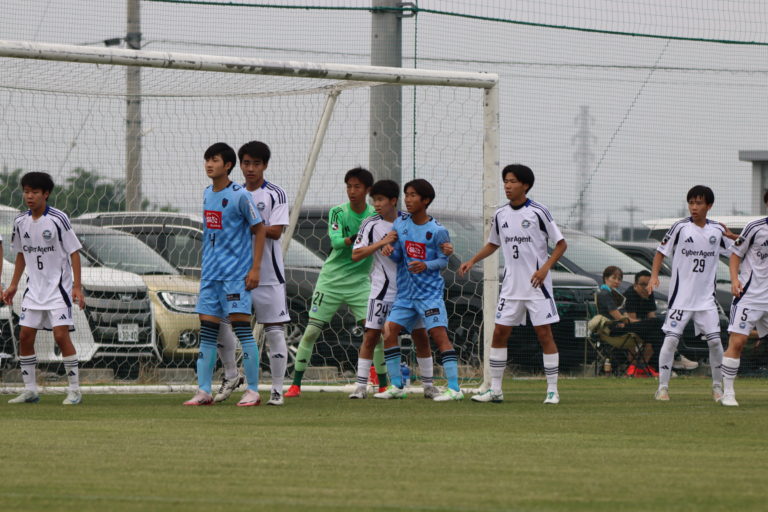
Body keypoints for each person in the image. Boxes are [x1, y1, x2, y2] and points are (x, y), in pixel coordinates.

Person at [459, 164, 566, 404]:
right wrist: (472, 260)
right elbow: (493, 243)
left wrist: (544, 269)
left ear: (525, 185)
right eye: (505, 181)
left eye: (512, 181)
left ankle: (552, 390)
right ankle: (495, 390)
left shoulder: (538, 212)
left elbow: (561, 244)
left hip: (537, 286)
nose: (507, 186)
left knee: (544, 334)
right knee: (499, 333)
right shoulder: (500, 214)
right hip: (511, 287)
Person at [349, 179, 452, 400]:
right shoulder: (370, 224)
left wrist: (446, 247)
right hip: (383, 290)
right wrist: (382, 243)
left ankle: (428, 385)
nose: (376, 204)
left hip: (412, 291)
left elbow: (432, 234)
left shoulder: (407, 219)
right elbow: (356, 254)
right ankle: (361, 386)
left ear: (393, 201)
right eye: (374, 200)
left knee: (420, 336)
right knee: (373, 335)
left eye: (380, 200)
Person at [184, 142, 266, 406]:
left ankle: (252, 390)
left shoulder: (241, 195)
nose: (209, 164)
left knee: (242, 330)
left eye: (215, 160)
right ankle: (203, 391)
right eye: (207, 159)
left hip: (235, 277)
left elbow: (260, 229)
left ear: (228, 165)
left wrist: (255, 269)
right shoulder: (207, 193)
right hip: (211, 276)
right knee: (208, 333)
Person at [285, 167, 377, 398]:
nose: (352, 191)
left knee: (374, 332)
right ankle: (295, 385)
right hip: (331, 281)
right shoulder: (338, 212)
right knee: (311, 332)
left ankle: (382, 383)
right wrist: (359, 237)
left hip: (359, 282)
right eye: (349, 186)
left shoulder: (375, 216)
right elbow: (336, 243)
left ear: (367, 190)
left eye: (357, 187)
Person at [214, 141, 290, 406]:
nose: (250, 169)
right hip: (236, 274)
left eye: (256, 164)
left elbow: (276, 231)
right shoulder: (232, 194)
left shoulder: (275, 194)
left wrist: (249, 225)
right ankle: (231, 375)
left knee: (274, 332)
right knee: (218, 322)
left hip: (268, 276)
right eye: (246, 163)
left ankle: (277, 390)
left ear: (265, 165)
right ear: (239, 165)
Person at [374, 178, 462, 402]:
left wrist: (426, 265)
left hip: (429, 295)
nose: (408, 199)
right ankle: (396, 386)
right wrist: (389, 250)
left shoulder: (437, 231)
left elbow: (443, 261)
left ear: (426, 200)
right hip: (405, 295)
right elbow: (399, 256)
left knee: (439, 336)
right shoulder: (400, 224)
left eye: (413, 195)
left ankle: (454, 389)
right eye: (406, 195)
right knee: (389, 331)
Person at [648, 185, 736, 402]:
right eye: (691, 203)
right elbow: (660, 252)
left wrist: (734, 238)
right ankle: (662, 388)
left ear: (709, 206)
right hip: (681, 299)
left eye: (698, 203)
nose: (694, 207)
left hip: (706, 300)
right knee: (671, 341)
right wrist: (654, 276)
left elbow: (738, 250)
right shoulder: (680, 227)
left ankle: (717, 387)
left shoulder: (717, 230)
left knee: (715, 342)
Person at [4, 172, 85, 405]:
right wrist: (13, 285)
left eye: (35, 192)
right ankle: (30, 390)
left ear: (46, 194)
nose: (29, 196)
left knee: (60, 336)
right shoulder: (21, 221)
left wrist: (77, 286)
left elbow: (74, 252)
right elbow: (21, 254)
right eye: (26, 192)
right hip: (34, 290)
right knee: (25, 336)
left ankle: (75, 390)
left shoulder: (58, 219)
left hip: (58, 289)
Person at [719, 190, 768, 406]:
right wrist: (734, 280)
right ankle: (728, 393)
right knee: (738, 342)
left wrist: (734, 237)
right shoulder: (755, 227)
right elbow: (735, 254)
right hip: (750, 296)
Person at [624, 270, 698, 373]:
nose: (646, 288)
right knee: (659, 324)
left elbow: (651, 316)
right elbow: (631, 321)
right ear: (635, 285)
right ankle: (674, 357)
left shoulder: (649, 293)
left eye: (649, 284)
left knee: (658, 332)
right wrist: (649, 324)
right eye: (643, 285)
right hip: (627, 326)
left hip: (643, 327)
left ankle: (644, 366)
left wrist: (651, 325)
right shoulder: (630, 294)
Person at [595, 266, 657, 377]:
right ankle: (638, 366)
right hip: (614, 329)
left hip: (622, 325)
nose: (617, 281)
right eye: (614, 278)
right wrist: (638, 322)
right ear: (606, 278)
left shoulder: (615, 294)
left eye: (619, 279)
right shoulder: (605, 294)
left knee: (656, 329)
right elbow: (619, 317)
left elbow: (624, 316)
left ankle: (639, 367)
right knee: (656, 324)